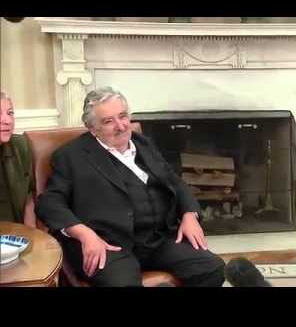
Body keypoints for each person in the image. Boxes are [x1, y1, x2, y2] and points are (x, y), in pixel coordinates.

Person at [36, 87, 226, 287]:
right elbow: (49, 203)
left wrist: (189, 214)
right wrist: (85, 234)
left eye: (123, 116)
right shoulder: (71, 156)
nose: (120, 126)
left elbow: (174, 181)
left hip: (158, 239)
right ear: (92, 128)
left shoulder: (143, 143)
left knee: (211, 268)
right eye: (108, 121)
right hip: (109, 245)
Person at [0, 91, 35, 227]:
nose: (7, 120)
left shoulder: (20, 146)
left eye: (10, 113)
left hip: (15, 236)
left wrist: (32, 236)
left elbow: (28, 198)